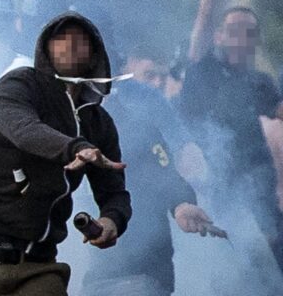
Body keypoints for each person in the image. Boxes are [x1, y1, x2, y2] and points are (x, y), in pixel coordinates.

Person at [0, 12, 131, 296]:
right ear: (45, 47)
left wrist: (112, 220)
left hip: (38, 266)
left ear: (95, 54)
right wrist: (75, 147)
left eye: (80, 40)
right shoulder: (17, 85)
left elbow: (114, 193)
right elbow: (24, 129)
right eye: (61, 38)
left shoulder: (99, 123)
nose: (70, 45)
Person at [80, 53, 214, 296]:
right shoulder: (62, 128)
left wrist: (181, 204)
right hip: (97, 276)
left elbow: (166, 175)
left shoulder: (138, 125)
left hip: (143, 272)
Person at [180, 6, 283, 271]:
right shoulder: (201, 73)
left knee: (274, 234)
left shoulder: (258, 80)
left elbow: (278, 109)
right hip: (214, 176)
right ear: (219, 36)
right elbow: (203, 15)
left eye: (250, 33)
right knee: (225, 241)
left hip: (256, 172)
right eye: (235, 31)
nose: (242, 39)